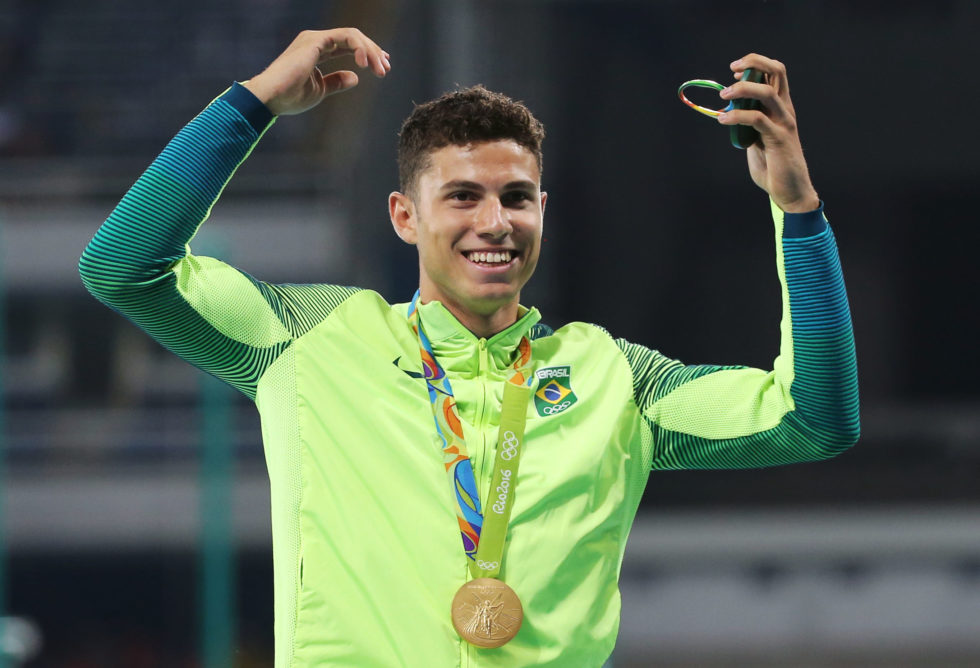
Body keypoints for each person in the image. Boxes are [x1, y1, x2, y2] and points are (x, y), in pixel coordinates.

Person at [79, 27, 859, 668]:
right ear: (403, 217)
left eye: (517, 198)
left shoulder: (614, 378)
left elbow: (814, 418)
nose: (496, 222)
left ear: (543, 210)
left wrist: (797, 208)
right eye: (462, 196)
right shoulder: (310, 341)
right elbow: (123, 266)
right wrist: (250, 106)